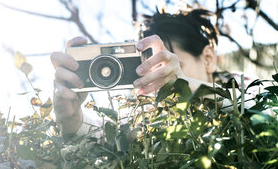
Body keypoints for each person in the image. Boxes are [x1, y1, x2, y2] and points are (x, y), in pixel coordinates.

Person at [50, 9, 233, 135]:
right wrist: (71, 118)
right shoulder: (146, 115)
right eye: (153, 73)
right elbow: (105, 141)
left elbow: (256, 104)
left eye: (176, 68)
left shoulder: (243, 89)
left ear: (208, 59)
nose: (164, 83)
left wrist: (186, 85)